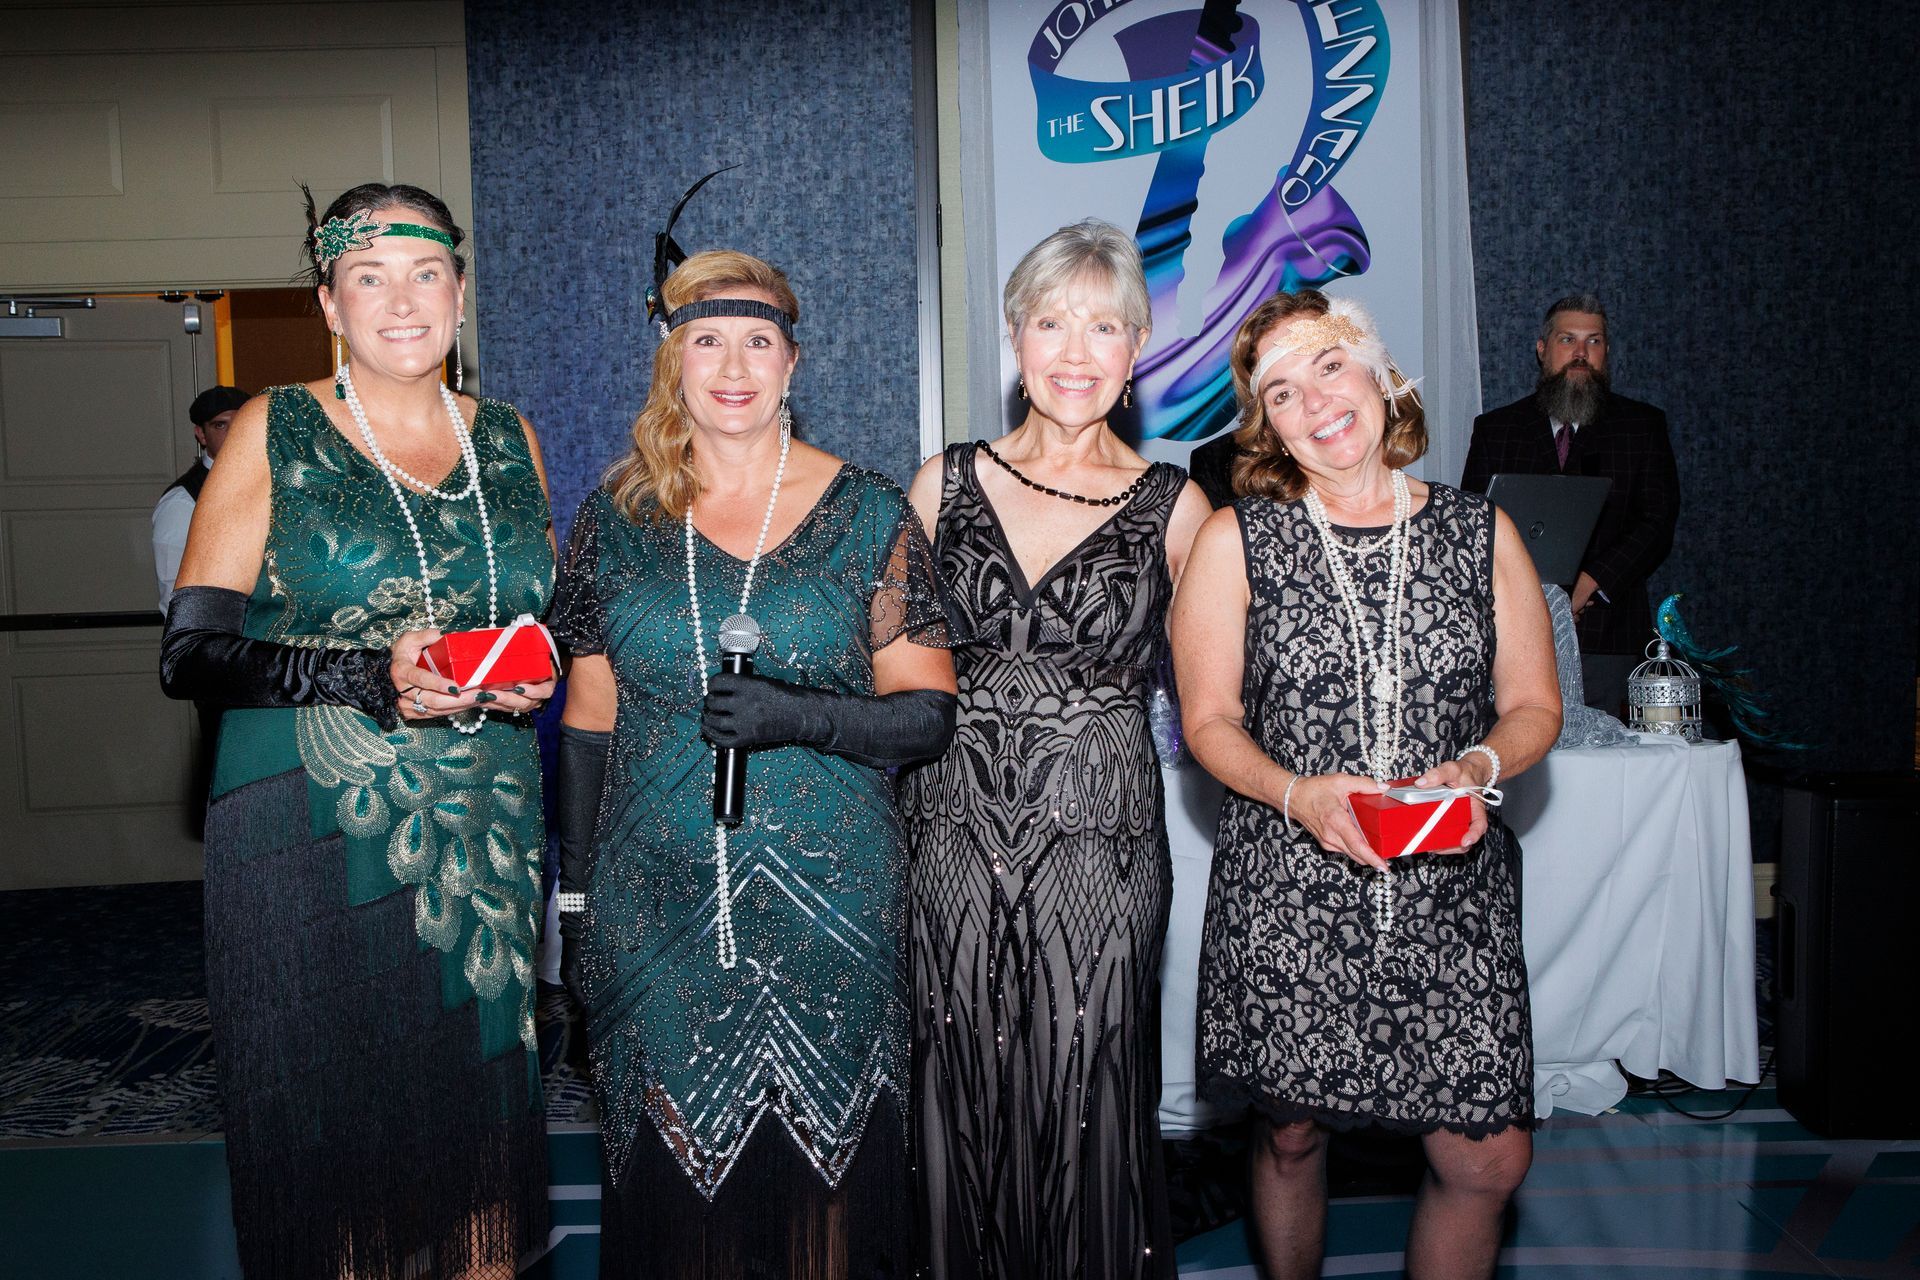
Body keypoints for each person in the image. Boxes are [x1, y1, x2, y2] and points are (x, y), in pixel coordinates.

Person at [159, 183, 555, 1279]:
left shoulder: (509, 435)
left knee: (477, 1125)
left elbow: (538, 608)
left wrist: (530, 663)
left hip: (483, 825)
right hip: (306, 825)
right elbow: (191, 652)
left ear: (461, 294)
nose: (400, 300)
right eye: (367, 276)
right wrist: (368, 673)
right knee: (338, 1140)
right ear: (329, 303)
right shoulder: (272, 426)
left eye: (424, 273)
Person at [549, 248, 959, 1280]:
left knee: (829, 1196)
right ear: (672, 359)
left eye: (759, 341)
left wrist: (803, 715)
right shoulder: (614, 521)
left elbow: (926, 717)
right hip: (653, 909)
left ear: (793, 362)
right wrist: (578, 901)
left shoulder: (867, 512)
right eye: (707, 339)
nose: (733, 364)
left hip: (834, 907)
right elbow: (589, 723)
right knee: (674, 1197)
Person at [1170, 289, 1561, 1280]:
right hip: (1292, 880)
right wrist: (1300, 793)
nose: (1317, 401)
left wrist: (1479, 764)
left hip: (1449, 885)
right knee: (1293, 1133)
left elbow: (1532, 706)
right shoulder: (1235, 541)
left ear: (1382, 374)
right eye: (1283, 391)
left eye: (1330, 365)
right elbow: (1207, 721)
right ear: (1268, 422)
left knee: (1488, 1156)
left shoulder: (1485, 533)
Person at [903, 218, 1211, 1280]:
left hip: (1102, 847)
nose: (1074, 351)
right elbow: (881, 670)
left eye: (1104, 326)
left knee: (1087, 1090)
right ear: (1014, 337)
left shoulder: (1178, 508)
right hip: (949, 831)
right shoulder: (936, 484)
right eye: (1050, 322)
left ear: (1136, 352)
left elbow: (1227, 697)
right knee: (957, 1082)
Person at [1461, 293, 1679, 711]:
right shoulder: (1497, 429)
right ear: (1542, 350)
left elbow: (1657, 522)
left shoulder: (1641, 427)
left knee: (1608, 769)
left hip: (1608, 637)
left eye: (1594, 342)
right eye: (1567, 340)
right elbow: (1473, 527)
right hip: (1512, 637)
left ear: (1607, 352)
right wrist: (1536, 599)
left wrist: (1586, 586)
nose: (1581, 354)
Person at [154, 384, 248, 611]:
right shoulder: (183, 501)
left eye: (241, 422)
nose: (233, 432)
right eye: (220, 425)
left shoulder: (272, 482)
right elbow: (175, 595)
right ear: (201, 434)